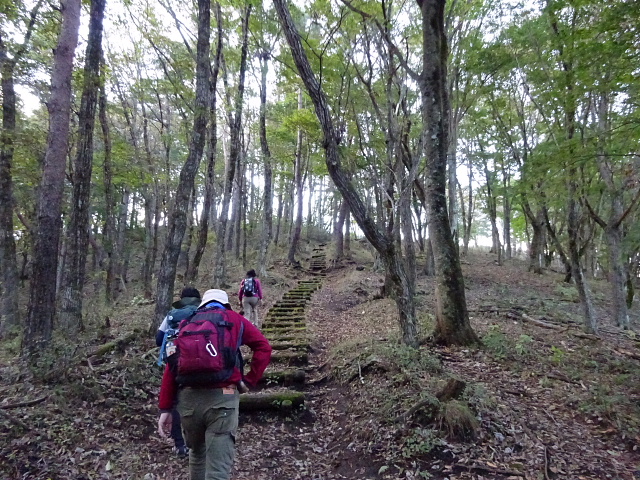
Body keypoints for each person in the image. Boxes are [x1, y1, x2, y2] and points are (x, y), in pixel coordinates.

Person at [157, 288, 272, 480]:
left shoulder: (187, 323)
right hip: (223, 398)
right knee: (217, 470)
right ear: (225, 303)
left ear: (203, 303)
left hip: (188, 401)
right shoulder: (234, 319)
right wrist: (249, 380)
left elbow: (172, 365)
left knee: (196, 454)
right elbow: (264, 347)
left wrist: (165, 408)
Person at [155, 287, 202, 458]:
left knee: (175, 402)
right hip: (197, 362)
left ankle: (179, 445)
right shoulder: (202, 312)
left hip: (174, 362)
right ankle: (197, 441)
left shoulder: (172, 314)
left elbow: (159, 339)